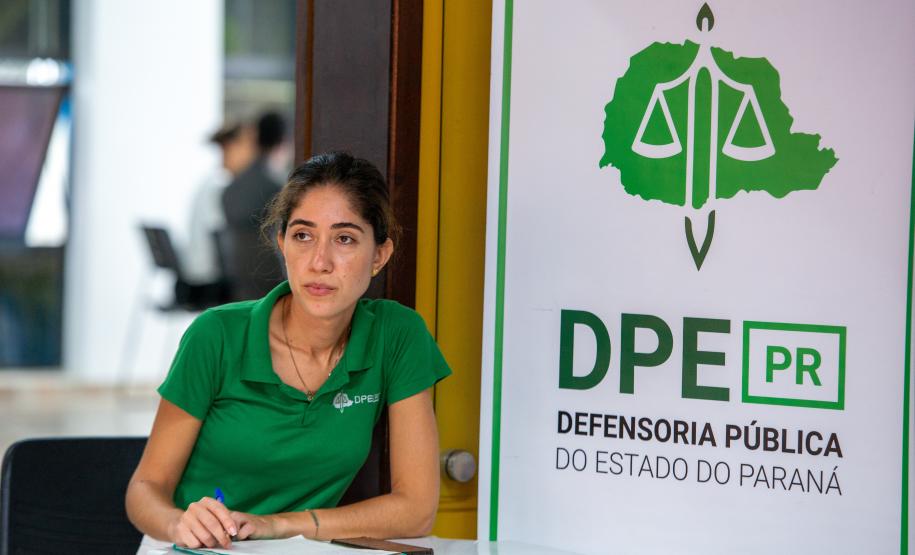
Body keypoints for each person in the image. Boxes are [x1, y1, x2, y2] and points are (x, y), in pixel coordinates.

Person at [126, 152, 451, 549]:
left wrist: (278, 525)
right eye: (302, 235)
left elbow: (416, 510)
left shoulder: (397, 335)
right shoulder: (216, 335)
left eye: (344, 239)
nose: (320, 261)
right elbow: (144, 490)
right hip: (194, 549)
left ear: (379, 256)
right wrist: (180, 525)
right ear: (282, 244)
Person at [178, 122, 255, 306]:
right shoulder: (223, 186)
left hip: (197, 278)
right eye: (249, 145)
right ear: (232, 147)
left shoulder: (213, 181)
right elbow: (224, 241)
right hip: (208, 283)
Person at [220, 111, 290, 301]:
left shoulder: (229, 191)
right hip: (276, 284)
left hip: (241, 283)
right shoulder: (278, 191)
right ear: (284, 143)